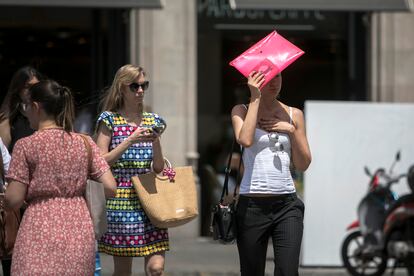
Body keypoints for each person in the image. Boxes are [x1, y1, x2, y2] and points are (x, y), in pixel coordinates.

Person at [4, 80, 117, 275]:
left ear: (36, 107)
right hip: (79, 228)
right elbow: (110, 187)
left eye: (26, 107)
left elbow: (13, 199)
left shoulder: (25, 145)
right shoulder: (85, 143)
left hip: (38, 228)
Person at [231, 71, 312, 276]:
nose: (274, 82)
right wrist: (255, 98)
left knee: (287, 271)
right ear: (255, 80)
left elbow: (303, 164)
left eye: (278, 76)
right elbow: (246, 140)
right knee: (251, 271)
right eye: (267, 77)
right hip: (252, 205)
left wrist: (291, 131)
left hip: (287, 205)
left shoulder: (295, 114)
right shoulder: (240, 110)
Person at [95, 64, 168, 276]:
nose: (140, 91)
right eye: (134, 86)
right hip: (122, 200)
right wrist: (130, 140)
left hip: (151, 197)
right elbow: (101, 161)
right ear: (122, 88)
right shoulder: (110, 119)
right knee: (123, 271)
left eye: (144, 85)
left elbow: (159, 168)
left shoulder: (153, 120)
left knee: (156, 268)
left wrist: (156, 142)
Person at [0, 66, 42, 276]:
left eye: (35, 86)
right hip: (17, 183)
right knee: (13, 244)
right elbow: (4, 151)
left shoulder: (43, 112)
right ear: (18, 89)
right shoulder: (9, 115)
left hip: (39, 187)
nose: (31, 90)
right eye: (27, 87)